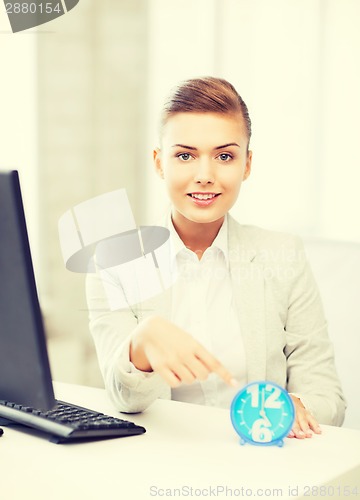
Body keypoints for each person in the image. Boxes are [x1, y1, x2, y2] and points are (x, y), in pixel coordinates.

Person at [86, 76, 346, 439]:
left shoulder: (282, 255)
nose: (205, 176)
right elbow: (123, 397)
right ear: (160, 163)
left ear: (247, 164)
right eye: (185, 155)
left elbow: (328, 398)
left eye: (224, 156)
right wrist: (140, 347)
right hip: (157, 465)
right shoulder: (116, 262)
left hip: (263, 464)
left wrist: (298, 406)